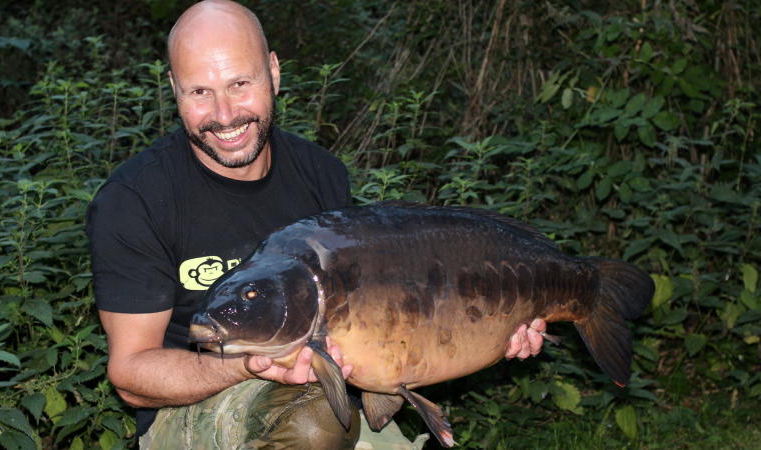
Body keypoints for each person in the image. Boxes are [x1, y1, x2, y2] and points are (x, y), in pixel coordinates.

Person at [86, 1, 547, 449]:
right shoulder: (134, 201)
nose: (224, 115)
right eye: (199, 92)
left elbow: (385, 323)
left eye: (240, 83)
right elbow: (131, 375)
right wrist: (248, 364)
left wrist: (487, 329)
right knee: (314, 426)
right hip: (190, 406)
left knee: (323, 421)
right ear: (173, 88)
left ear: (274, 72)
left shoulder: (322, 174)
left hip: (321, 396)